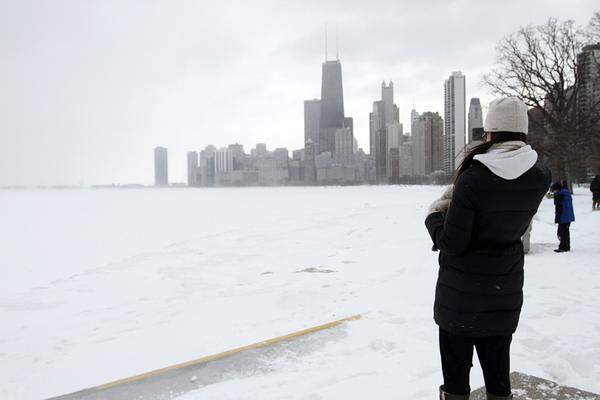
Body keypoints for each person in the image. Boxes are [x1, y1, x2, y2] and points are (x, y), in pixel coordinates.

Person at [425, 97, 551, 400]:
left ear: (491, 132)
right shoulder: (539, 176)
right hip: (503, 291)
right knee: (498, 378)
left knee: (456, 381)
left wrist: (434, 216)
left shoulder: (473, 178)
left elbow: (452, 243)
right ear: (522, 131)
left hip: (461, 297)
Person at [552, 181, 575, 252]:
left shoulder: (559, 195)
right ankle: (567, 246)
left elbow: (558, 208)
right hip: (569, 216)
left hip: (563, 216)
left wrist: (557, 218)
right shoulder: (566, 192)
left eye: (554, 190)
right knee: (566, 231)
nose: (554, 192)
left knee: (562, 232)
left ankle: (563, 247)